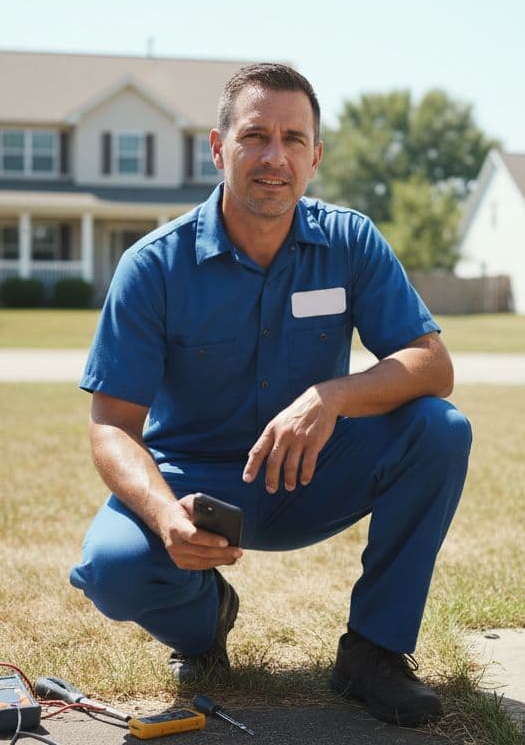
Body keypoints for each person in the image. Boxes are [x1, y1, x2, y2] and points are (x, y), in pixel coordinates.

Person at [70, 62, 471, 728]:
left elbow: (431, 365)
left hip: (319, 472)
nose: (273, 157)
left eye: (292, 139)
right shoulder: (152, 267)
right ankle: (205, 627)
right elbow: (111, 426)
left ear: (315, 156)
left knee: (441, 428)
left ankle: (374, 652)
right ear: (218, 146)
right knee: (111, 568)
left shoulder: (350, 242)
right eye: (255, 136)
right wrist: (169, 520)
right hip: (197, 493)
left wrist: (331, 396)